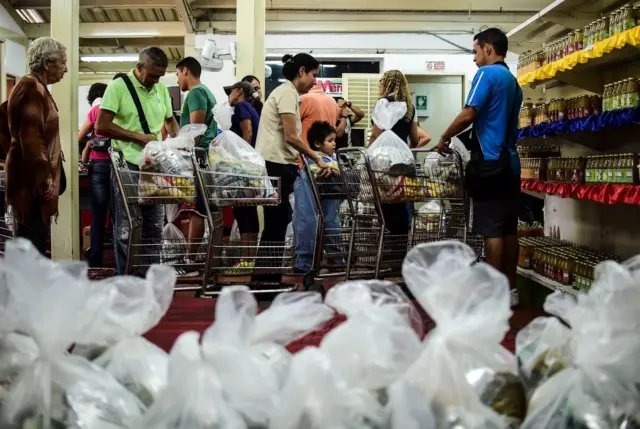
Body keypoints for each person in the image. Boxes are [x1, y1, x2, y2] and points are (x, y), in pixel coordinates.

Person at [436, 28, 523, 293]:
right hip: (510, 163)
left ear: (488, 48)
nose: (474, 58)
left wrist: (444, 137)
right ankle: (510, 290)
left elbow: (469, 113)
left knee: (492, 231)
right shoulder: (512, 81)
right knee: (509, 229)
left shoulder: (487, 73)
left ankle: (493, 295)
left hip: (489, 164)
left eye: (475, 51)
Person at [97, 46, 180, 275]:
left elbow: (170, 121)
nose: (155, 80)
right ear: (139, 67)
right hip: (128, 166)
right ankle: (129, 279)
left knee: (154, 226)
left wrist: (179, 140)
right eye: (152, 75)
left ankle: (150, 278)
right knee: (127, 227)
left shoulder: (161, 89)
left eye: (160, 76)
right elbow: (101, 126)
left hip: (153, 167)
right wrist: (137, 137)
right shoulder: (118, 87)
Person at [253, 53, 328, 282]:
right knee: (275, 222)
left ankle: (266, 278)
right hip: (275, 164)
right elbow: (291, 137)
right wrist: (317, 157)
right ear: (302, 71)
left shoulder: (290, 94)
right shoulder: (286, 93)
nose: (315, 82)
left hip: (280, 163)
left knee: (279, 219)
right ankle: (265, 279)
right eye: (314, 75)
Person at [5, 37, 67, 255]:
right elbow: (31, 137)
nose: (65, 69)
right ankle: (29, 288)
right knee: (32, 245)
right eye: (63, 63)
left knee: (35, 242)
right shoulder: (30, 88)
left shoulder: (37, 87)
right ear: (48, 63)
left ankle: (31, 286)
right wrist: (45, 177)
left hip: (32, 179)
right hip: (30, 183)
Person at [175, 56, 217, 273]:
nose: (177, 79)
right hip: (204, 155)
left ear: (185, 71)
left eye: (177, 74)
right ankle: (195, 254)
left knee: (196, 210)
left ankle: (191, 258)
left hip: (199, 155)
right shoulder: (206, 92)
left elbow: (195, 131)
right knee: (198, 209)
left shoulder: (196, 92)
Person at [368, 70, 420, 238]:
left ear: (386, 84)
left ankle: (388, 242)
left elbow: (376, 135)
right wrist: (405, 151)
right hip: (402, 159)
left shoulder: (383, 103)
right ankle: (401, 244)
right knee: (401, 198)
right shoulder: (409, 107)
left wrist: (367, 155)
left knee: (384, 201)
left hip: (382, 160)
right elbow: (415, 139)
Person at [293, 121, 344, 274]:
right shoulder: (316, 160)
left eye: (334, 140)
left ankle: (335, 258)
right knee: (328, 223)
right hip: (323, 194)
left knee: (330, 223)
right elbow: (317, 170)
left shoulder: (332, 157)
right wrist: (333, 170)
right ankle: (331, 259)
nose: (334, 144)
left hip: (329, 193)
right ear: (317, 144)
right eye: (330, 141)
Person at [225, 81, 261, 266]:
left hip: (244, 167)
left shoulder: (241, 107)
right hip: (251, 166)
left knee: (244, 210)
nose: (228, 96)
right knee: (249, 210)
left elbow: (247, 133)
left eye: (230, 91)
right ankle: (249, 258)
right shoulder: (252, 108)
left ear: (239, 91)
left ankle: (247, 260)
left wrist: (240, 161)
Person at [77, 82, 109, 267]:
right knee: (119, 215)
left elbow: (80, 136)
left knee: (98, 214)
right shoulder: (116, 110)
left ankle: (96, 258)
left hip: (98, 164)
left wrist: (93, 141)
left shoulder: (95, 110)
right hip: (118, 164)